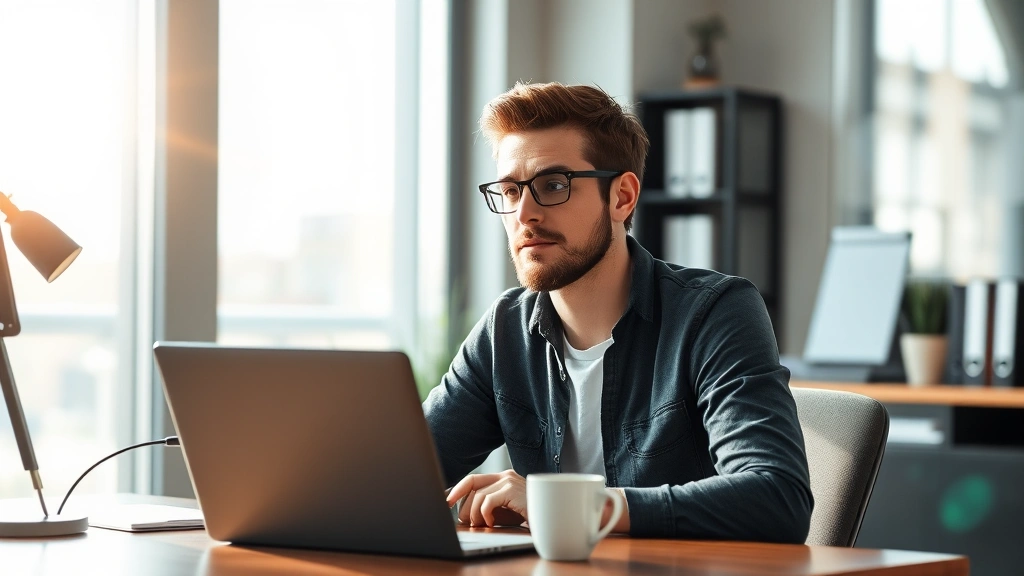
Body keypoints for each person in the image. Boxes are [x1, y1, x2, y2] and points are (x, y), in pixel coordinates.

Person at [423, 82, 812, 542]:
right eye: (509, 192)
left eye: (553, 185)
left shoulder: (715, 313)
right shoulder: (505, 330)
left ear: (622, 197)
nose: (524, 213)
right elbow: (397, 474)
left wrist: (568, 507)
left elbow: (777, 498)